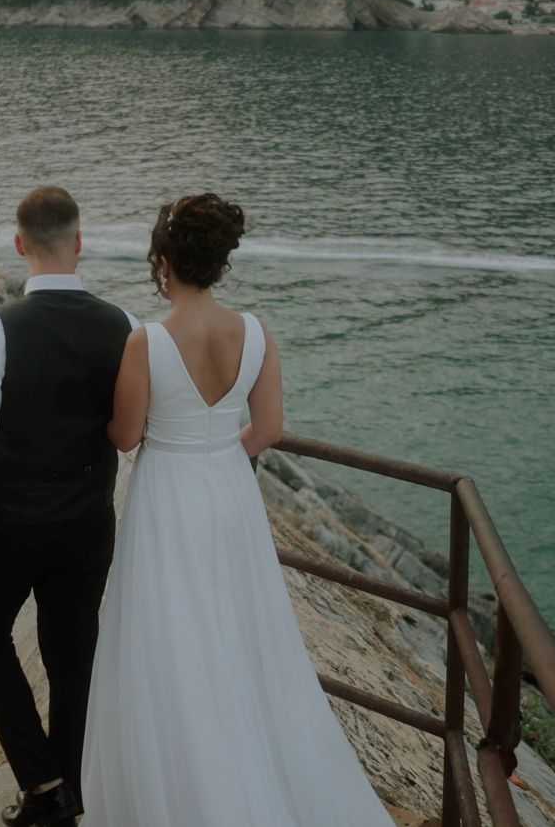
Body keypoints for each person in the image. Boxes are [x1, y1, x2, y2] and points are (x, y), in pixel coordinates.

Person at [80, 193, 394, 826]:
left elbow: (126, 435)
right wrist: (221, 454)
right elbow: (270, 428)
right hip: (229, 493)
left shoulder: (146, 342)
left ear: (163, 263)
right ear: (220, 262)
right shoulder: (254, 332)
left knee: (171, 642)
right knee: (242, 636)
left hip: (167, 496)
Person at [0, 186, 135, 827]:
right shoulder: (123, 324)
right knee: (72, 655)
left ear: (19, 244)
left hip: (9, 524)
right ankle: (67, 792)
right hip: (87, 524)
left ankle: (45, 789)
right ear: (79, 241)